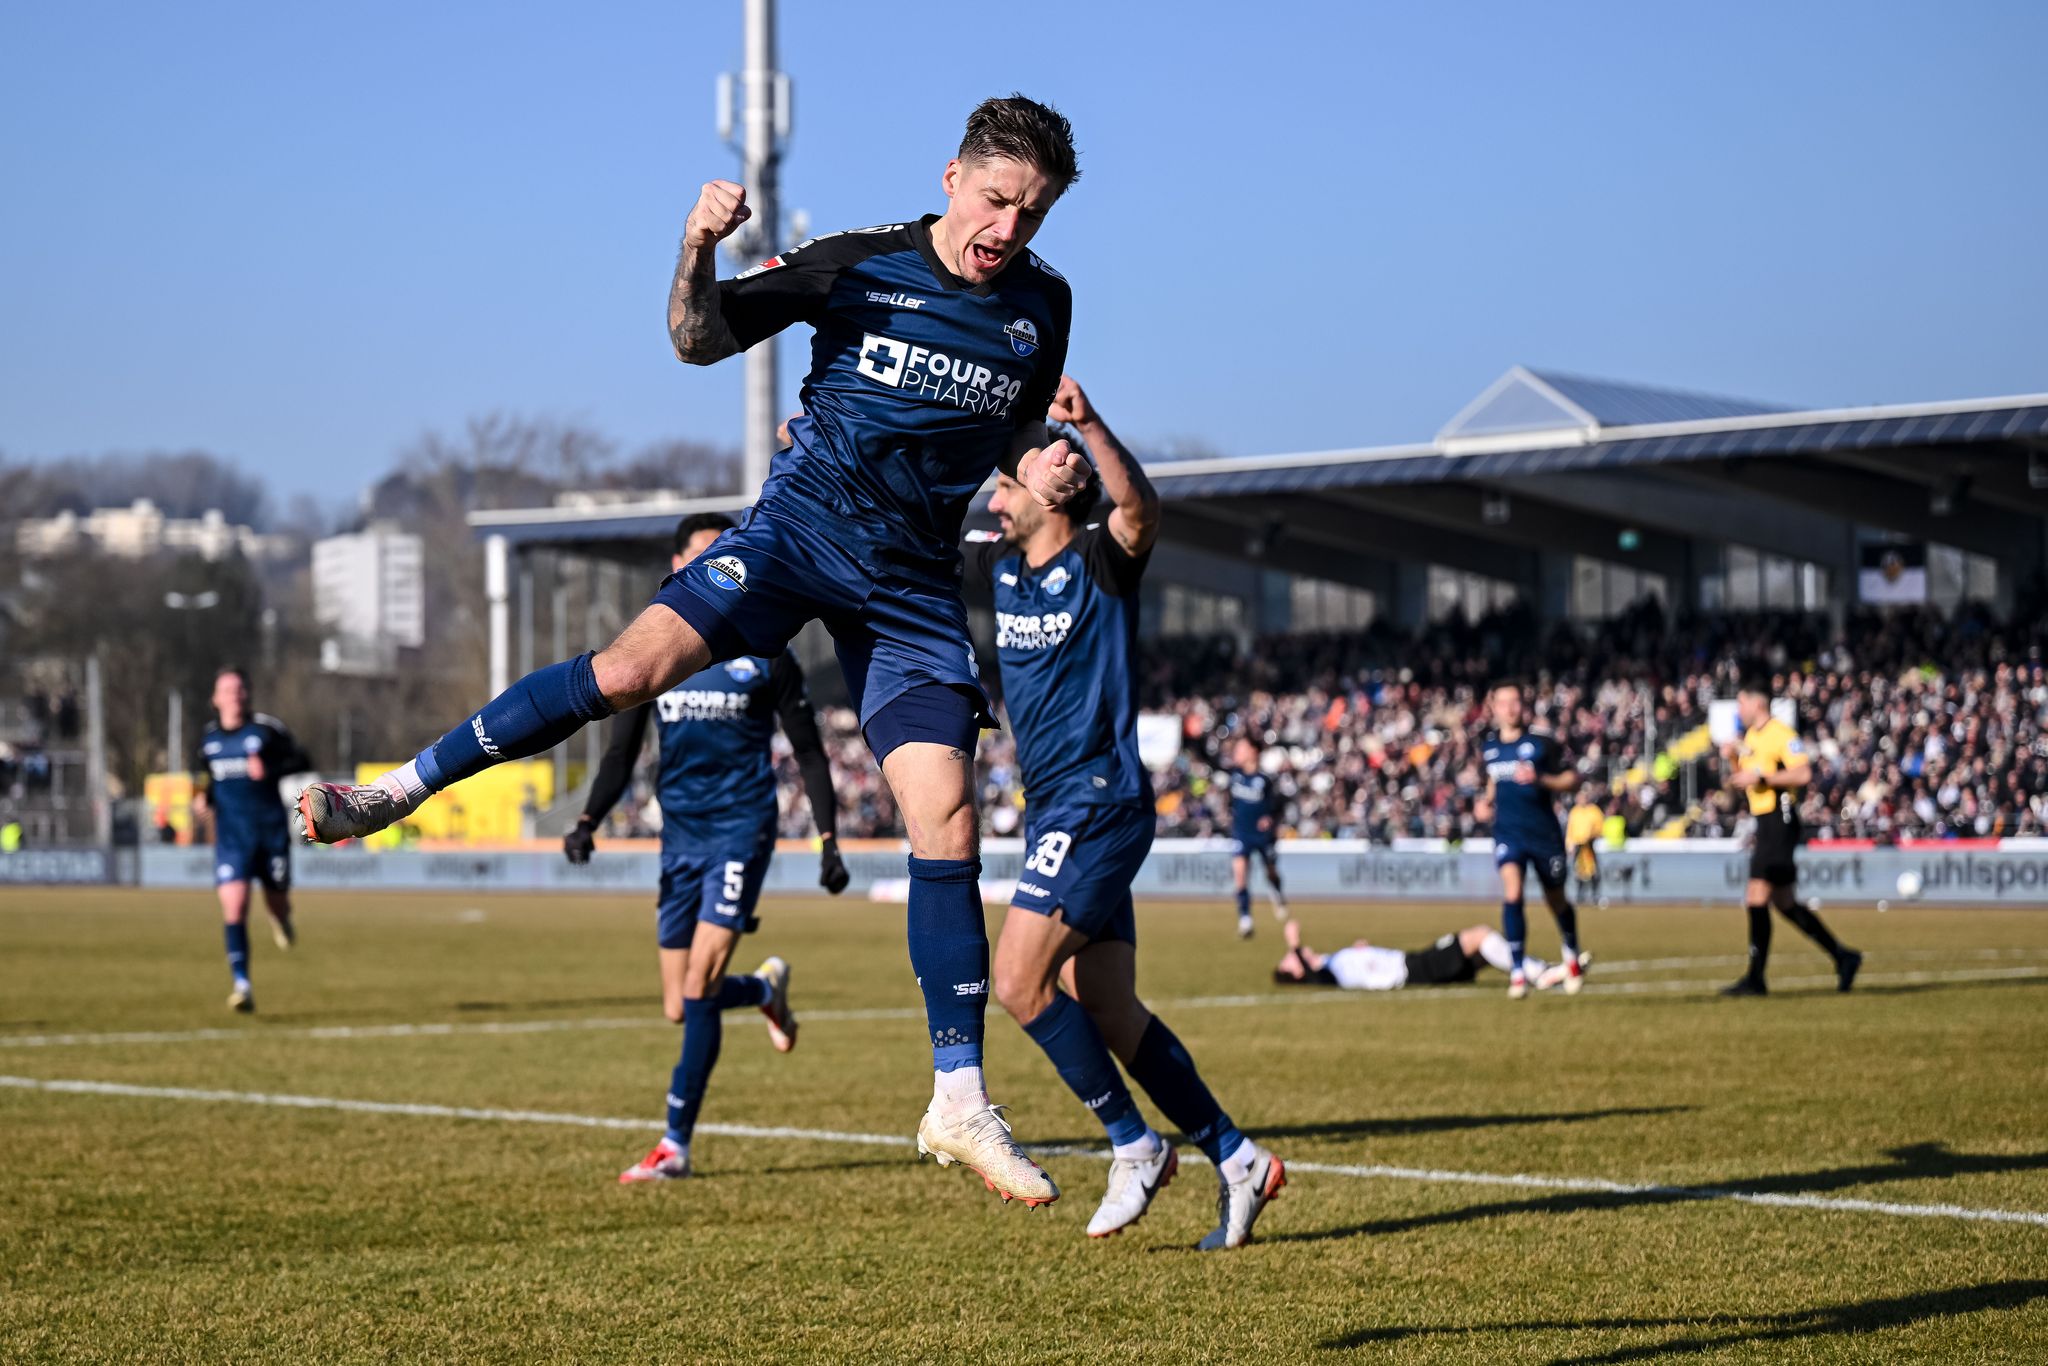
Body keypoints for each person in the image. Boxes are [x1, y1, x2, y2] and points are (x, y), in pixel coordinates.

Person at [299, 95, 1089, 1207]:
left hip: (911, 587)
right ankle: (393, 792)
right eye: (997, 199)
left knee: (944, 813)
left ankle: (955, 1097)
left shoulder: (1040, 306)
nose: (1008, 228)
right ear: (953, 175)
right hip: (793, 540)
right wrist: (695, 247)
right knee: (624, 672)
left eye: (1034, 212)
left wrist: (1036, 470)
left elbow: (1006, 433)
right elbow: (697, 340)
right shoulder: (855, 264)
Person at [971, 376, 1285, 1247]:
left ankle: (1133, 1144)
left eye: (1007, 483)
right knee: (1104, 1001)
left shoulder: (1100, 565)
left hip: (1097, 801)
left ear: (1054, 486)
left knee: (1019, 983)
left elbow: (1140, 508)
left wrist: (1087, 427)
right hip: (1055, 813)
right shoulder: (999, 567)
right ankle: (1237, 1158)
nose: (994, 498)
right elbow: (919, 509)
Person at [566, 513, 851, 1182]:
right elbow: (621, 748)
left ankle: (675, 1145)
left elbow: (808, 750)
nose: (721, 562)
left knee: (697, 985)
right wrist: (588, 817)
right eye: (706, 553)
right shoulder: (656, 651)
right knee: (679, 1003)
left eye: (728, 550)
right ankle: (761, 992)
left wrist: (828, 837)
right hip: (681, 837)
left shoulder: (765, 653)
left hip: (740, 831)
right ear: (679, 562)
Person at [1720, 675, 1862, 997]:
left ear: (1758, 702)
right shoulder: (1751, 738)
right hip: (1764, 820)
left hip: (1779, 819)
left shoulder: (1781, 734)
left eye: (1741, 702)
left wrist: (1763, 775)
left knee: (1756, 895)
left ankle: (1756, 978)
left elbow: (1803, 773)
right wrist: (1732, 756)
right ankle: (1843, 956)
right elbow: (1743, 781)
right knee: (1783, 902)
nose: (1738, 709)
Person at [192, 668, 311, 1013]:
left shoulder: (267, 730)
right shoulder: (208, 740)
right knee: (235, 906)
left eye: (240, 688)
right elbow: (204, 778)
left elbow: (303, 759)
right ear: (216, 699)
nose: (235, 694)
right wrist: (203, 798)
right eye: (227, 689)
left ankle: (281, 918)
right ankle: (242, 984)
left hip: (270, 833)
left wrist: (270, 771)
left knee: (276, 902)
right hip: (231, 838)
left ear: (248, 694)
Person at [1472, 681, 1585, 999]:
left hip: (1544, 834)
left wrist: (1542, 779)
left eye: (1515, 701)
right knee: (1513, 892)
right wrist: (1484, 803)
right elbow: (1492, 785)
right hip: (1508, 833)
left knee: (1556, 900)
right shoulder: (1490, 749)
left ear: (1524, 705)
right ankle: (1518, 970)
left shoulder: (1542, 744)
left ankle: (1571, 952)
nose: (1509, 708)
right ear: (1493, 707)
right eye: (1503, 702)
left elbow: (1573, 779)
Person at [1272, 917, 1579, 992]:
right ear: (1297, 971)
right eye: (1289, 960)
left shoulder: (1332, 961)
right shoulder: (1324, 975)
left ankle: (1539, 970)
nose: (1291, 955)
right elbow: (1320, 979)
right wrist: (1294, 944)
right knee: (1480, 936)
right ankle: (1540, 973)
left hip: (1413, 965)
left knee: (1484, 951)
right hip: (1413, 969)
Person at [1224, 737, 1288, 938]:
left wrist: (1270, 819)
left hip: (1262, 835)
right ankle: (1245, 919)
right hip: (1241, 833)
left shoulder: (1265, 780)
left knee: (1270, 871)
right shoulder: (1234, 776)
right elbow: (1230, 802)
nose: (1237, 753)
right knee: (1240, 875)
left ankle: (1276, 892)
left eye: (1241, 748)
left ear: (1253, 751)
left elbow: (1279, 804)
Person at [1566, 786, 1606, 907]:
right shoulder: (1574, 811)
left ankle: (1595, 896)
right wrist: (1569, 844)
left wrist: (1592, 836)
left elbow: (1600, 828)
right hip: (1578, 845)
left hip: (1589, 845)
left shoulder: (1594, 811)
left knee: (1593, 871)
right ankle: (1580, 896)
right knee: (1579, 872)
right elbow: (1570, 830)